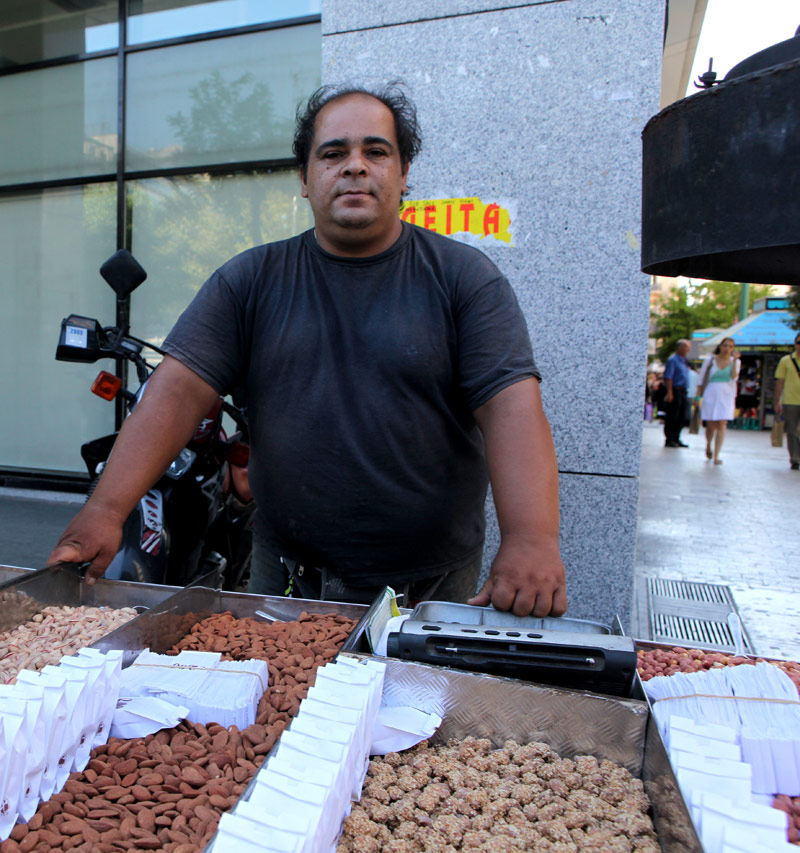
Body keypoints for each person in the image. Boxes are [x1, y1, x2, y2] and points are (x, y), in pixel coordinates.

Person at [48, 83, 567, 618]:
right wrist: (106, 509)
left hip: (431, 583)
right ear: (304, 177)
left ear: (403, 173)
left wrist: (531, 537)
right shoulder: (250, 281)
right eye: (333, 153)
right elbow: (176, 391)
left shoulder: (464, 279)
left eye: (376, 151)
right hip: (288, 574)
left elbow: (510, 408)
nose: (355, 166)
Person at [695, 338, 739, 465]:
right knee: (711, 424)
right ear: (720, 346)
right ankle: (708, 444)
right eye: (725, 345)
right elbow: (701, 379)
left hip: (727, 394)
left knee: (722, 423)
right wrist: (698, 396)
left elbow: (734, 377)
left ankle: (716, 455)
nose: (727, 349)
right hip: (711, 392)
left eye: (730, 346)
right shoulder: (710, 360)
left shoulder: (735, 362)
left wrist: (734, 362)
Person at [774, 332, 800, 471]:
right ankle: (795, 458)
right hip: (790, 401)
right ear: (795, 344)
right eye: (798, 342)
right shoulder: (786, 360)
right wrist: (776, 401)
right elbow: (780, 382)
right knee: (792, 430)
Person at [662, 340, 692, 448]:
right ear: (679, 348)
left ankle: (676, 438)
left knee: (681, 416)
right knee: (672, 416)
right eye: (686, 347)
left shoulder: (685, 361)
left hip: (683, 391)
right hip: (675, 390)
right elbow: (668, 376)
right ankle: (669, 439)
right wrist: (670, 392)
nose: (688, 349)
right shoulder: (673, 360)